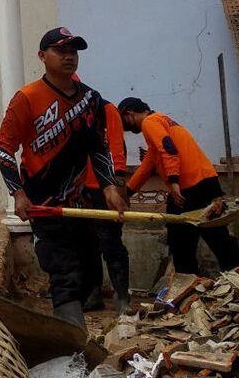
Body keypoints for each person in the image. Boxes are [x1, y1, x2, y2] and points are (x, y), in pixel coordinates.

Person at [0, 27, 127, 328]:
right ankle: (73, 341)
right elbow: (3, 148)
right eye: (60, 50)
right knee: (62, 271)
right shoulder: (26, 98)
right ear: (42, 56)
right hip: (44, 202)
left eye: (74, 50)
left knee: (84, 264)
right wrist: (17, 193)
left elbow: (98, 147)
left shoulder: (91, 99)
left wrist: (108, 186)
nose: (69, 56)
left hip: (80, 202)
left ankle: (75, 333)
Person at [118, 97, 239, 275]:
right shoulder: (162, 120)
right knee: (216, 237)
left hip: (189, 187)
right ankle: (238, 275)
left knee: (182, 241)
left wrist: (174, 182)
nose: (128, 128)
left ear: (129, 114)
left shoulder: (149, 123)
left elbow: (168, 148)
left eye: (125, 123)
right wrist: (127, 193)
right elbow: (148, 166)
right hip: (207, 183)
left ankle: (187, 281)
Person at [79, 95, 131, 314]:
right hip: (79, 189)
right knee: (86, 244)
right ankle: (94, 293)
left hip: (104, 188)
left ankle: (122, 296)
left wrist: (118, 183)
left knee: (110, 242)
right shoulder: (65, 114)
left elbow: (117, 147)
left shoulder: (106, 109)